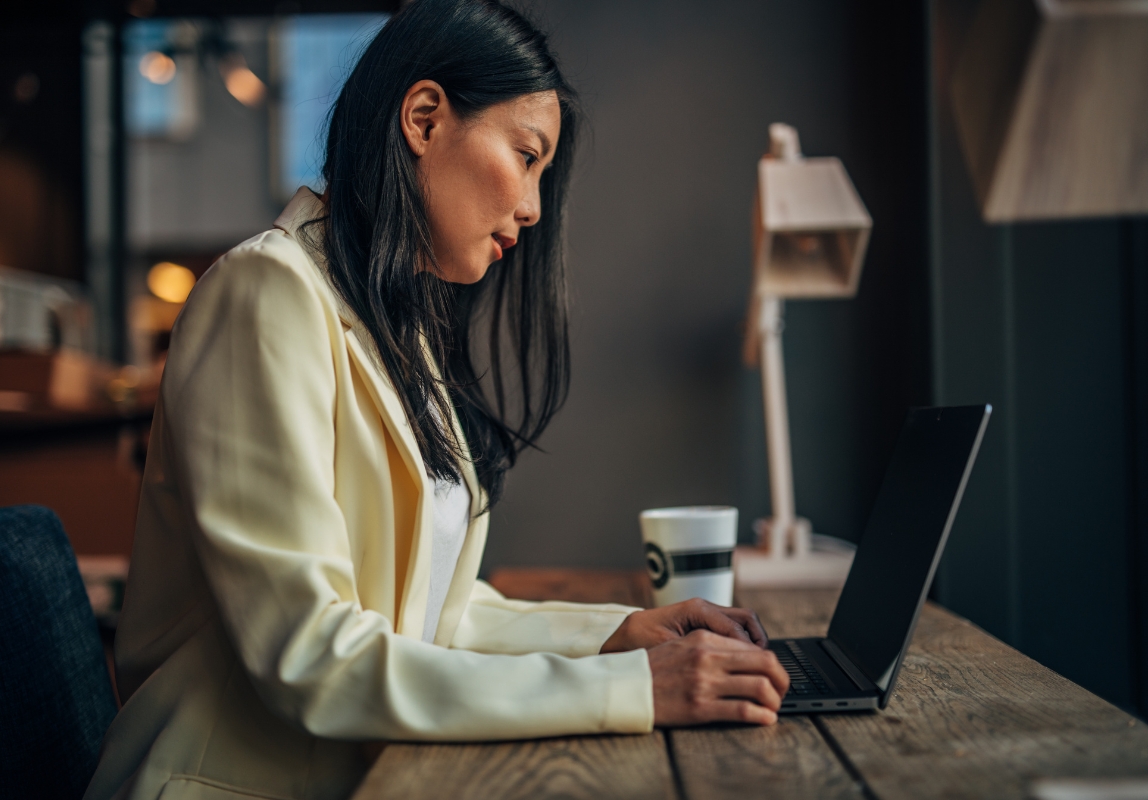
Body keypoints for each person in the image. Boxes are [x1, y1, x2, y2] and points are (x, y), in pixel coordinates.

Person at [84, 2, 788, 798]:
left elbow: (431, 619)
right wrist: (630, 692)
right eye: (526, 156)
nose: (531, 205)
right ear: (424, 118)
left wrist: (617, 639)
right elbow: (311, 654)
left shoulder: (395, 329)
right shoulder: (264, 293)